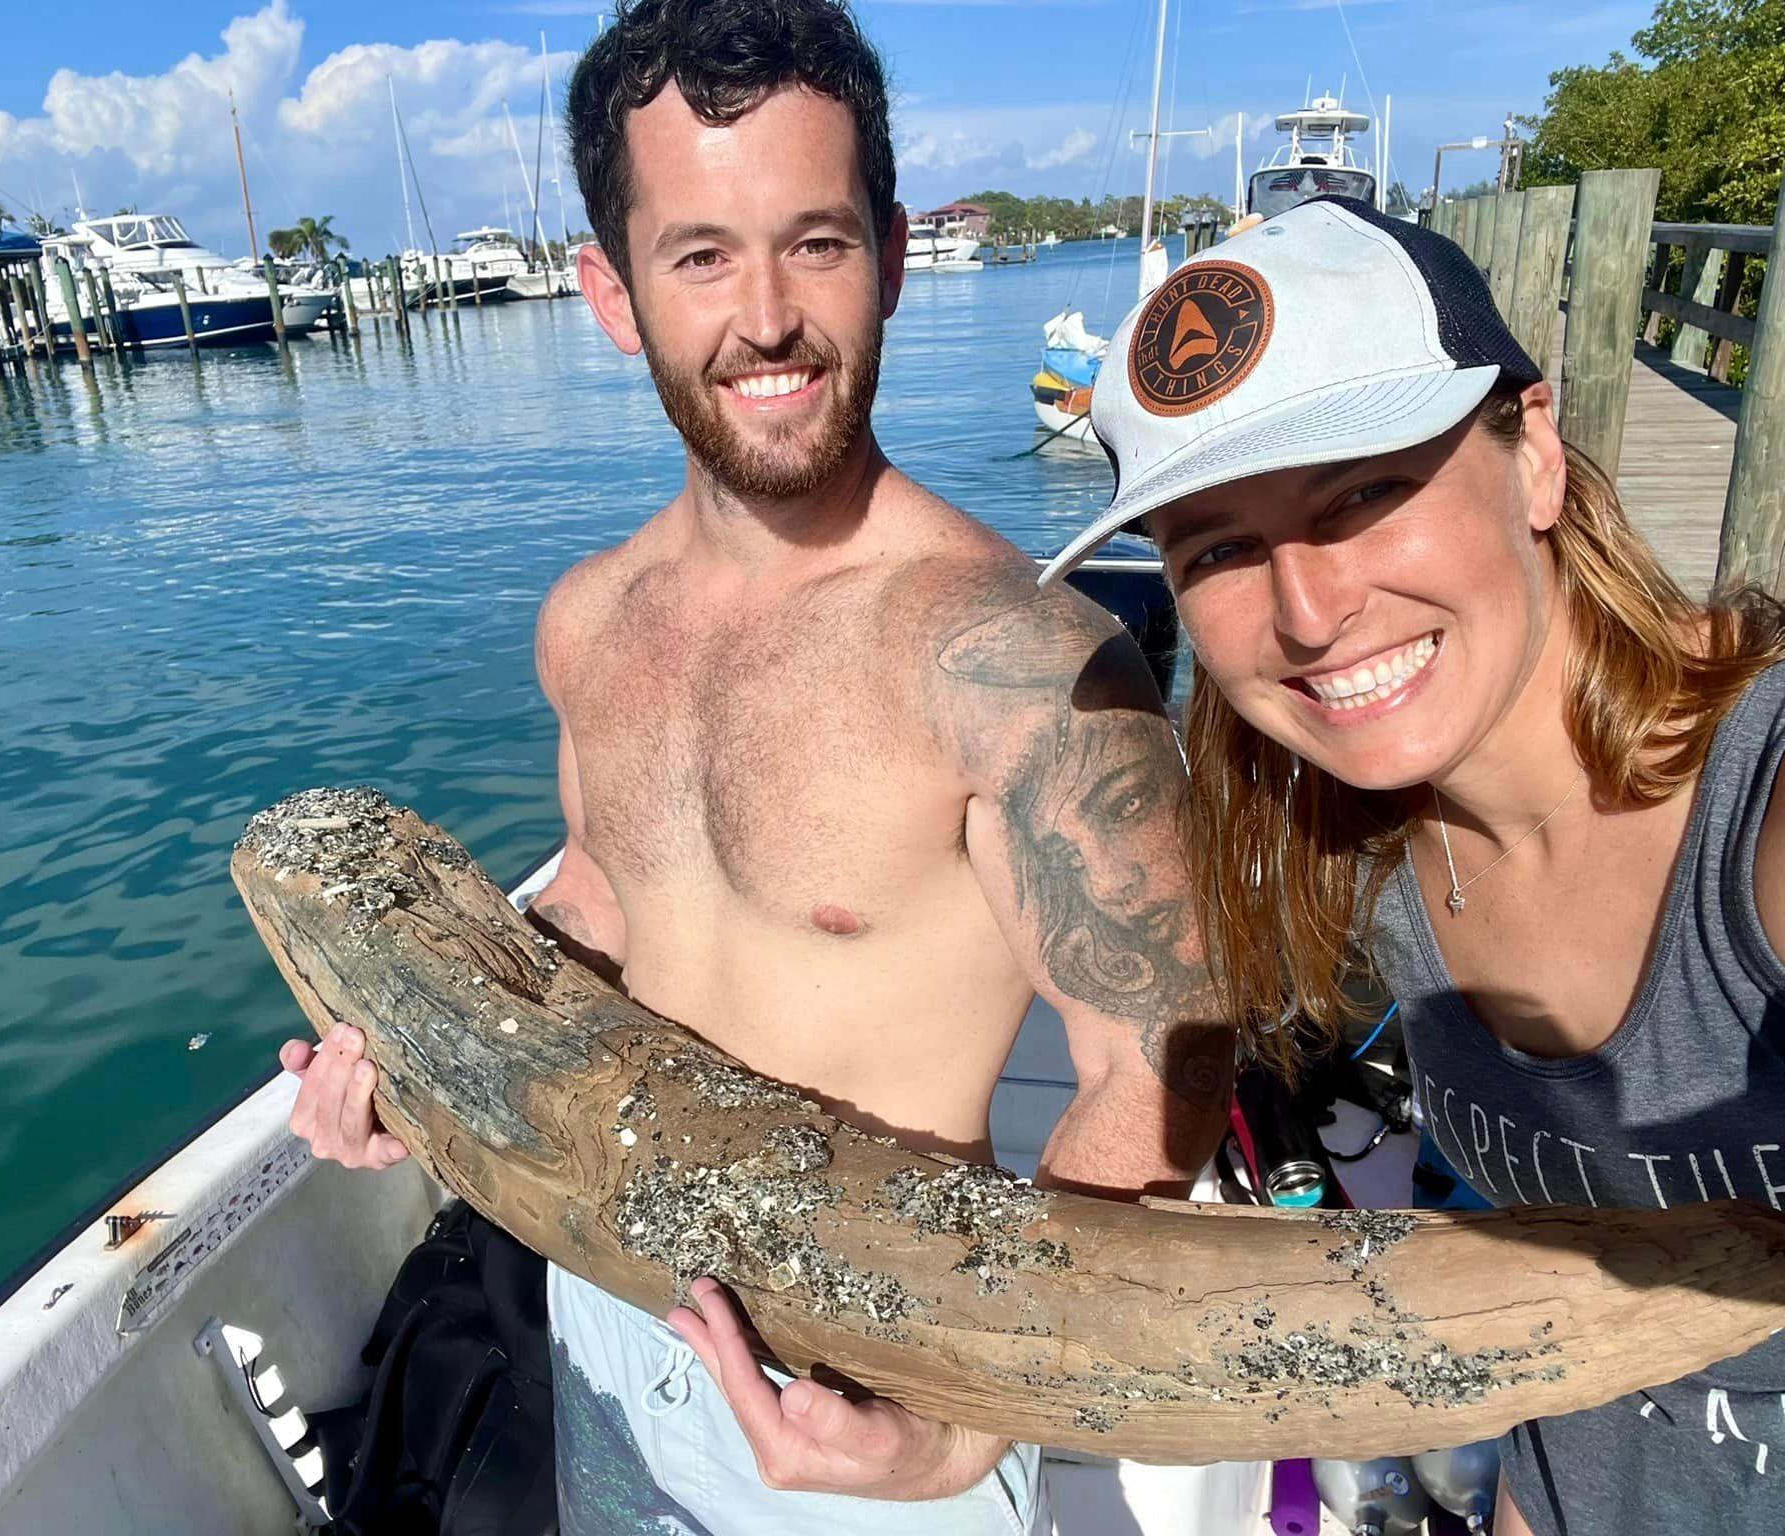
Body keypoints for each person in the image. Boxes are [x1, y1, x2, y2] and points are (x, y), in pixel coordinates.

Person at [280, 1, 1233, 1530]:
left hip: (875, 1395)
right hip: (617, 1322)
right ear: (612, 292)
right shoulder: (591, 620)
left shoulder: (1020, 663)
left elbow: (1156, 1064)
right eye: (702, 254)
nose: (769, 317)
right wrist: (414, 1058)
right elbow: (604, 903)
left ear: (896, 257)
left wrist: (973, 1409)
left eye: (819, 242)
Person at [1042, 194, 1785, 1534]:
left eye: (1368, 493)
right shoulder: (1370, 859)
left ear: (1538, 453)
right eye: (1217, 547)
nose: (1311, 613)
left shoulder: (1759, 825)